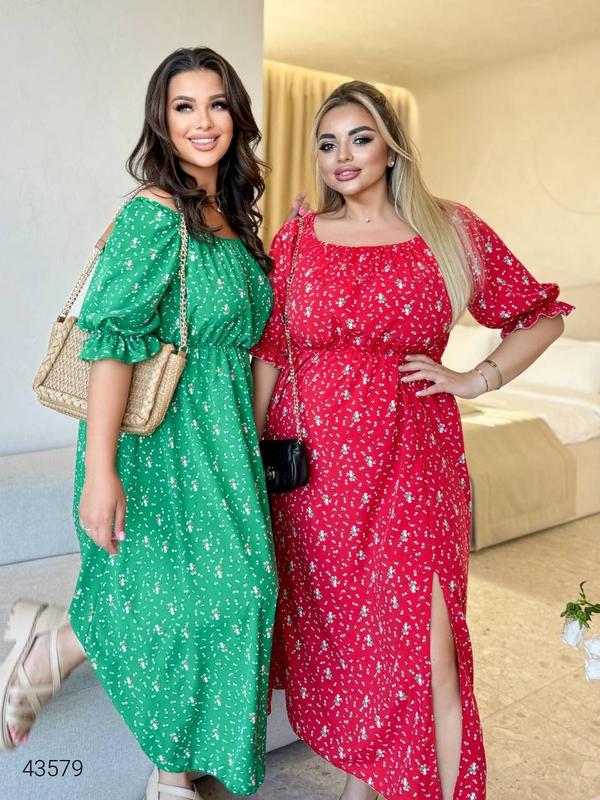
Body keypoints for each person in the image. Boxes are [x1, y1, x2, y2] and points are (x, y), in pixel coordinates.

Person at [251, 81, 573, 800]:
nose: (343, 156)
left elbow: (541, 317)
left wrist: (475, 378)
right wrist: (246, 452)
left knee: (430, 653)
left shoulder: (450, 230)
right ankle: (366, 782)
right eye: (328, 143)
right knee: (351, 642)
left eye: (360, 138)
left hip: (413, 462)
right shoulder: (297, 237)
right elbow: (270, 350)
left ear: (392, 147)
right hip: (315, 476)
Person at [0, 47, 278, 800]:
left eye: (216, 104)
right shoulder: (152, 215)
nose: (202, 121)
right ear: (162, 120)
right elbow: (111, 343)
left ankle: (65, 655)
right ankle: (160, 763)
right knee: (178, 599)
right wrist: (101, 470)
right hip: (157, 441)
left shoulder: (238, 221)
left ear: (236, 115)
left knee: (242, 596)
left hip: (224, 440)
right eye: (184, 106)